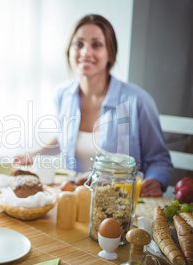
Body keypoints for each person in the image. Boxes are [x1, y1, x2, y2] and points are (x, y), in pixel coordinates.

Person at [14, 14, 173, 197]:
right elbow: (65, 137)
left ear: (110, 54)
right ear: (69, 51)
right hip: (74, 196)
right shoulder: (63, 95)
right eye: (78, 44)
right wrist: (35, 154)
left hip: (119, 202)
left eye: (96, 45)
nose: (85, 53)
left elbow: (160, 160)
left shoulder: (138, 100)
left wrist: (155, 180)